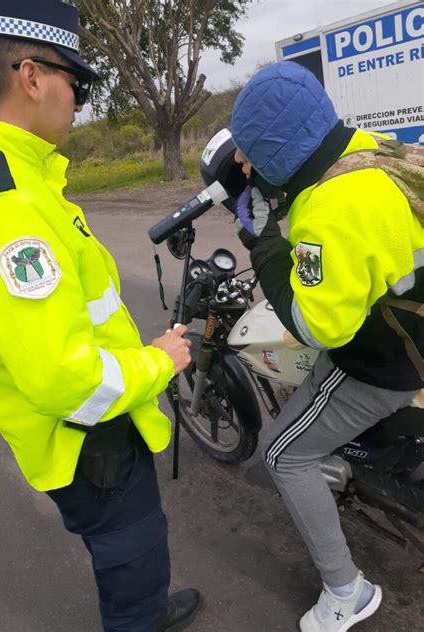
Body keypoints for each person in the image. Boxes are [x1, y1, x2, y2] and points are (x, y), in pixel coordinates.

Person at [0, 1, 201, 630]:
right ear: (31, 76)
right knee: (132, 555)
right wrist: (157, 362)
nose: (80, 102)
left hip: (82, 433)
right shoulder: (7, 206)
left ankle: (142, 606)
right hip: (89, 440)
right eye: (78, 83)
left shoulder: (7, 179)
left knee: (126, 554)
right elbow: (65, 379)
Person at [230, 61, 423, 631]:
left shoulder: (332, 210)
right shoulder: (380, 151)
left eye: (249, 151)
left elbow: (319, 329)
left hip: (384, 363)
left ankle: (347, 592)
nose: (243, 163)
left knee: (284, 456)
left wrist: (264, 243)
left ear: (274, 147)